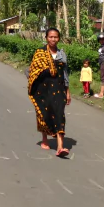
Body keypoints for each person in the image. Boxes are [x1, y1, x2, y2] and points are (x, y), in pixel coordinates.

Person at [28, 27, 71, 157]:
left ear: (59, 38)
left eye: (56, 37)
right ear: (46, 38)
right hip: (43, 89)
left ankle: (60, 146)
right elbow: (33, 71)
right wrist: (45, 70)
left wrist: (67, 92)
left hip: (59, 88)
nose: (53, 39)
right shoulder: (40, 53)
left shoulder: (62, 54)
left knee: (59, 114)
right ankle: (45, 139)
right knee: (44, 113)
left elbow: (65, 74)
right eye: (51, 37)